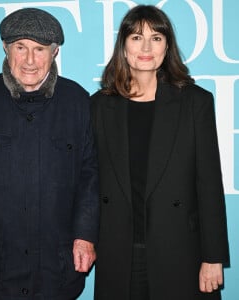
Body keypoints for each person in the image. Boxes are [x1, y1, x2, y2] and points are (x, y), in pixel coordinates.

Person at [0, 7, 99, 300]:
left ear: (55, 52)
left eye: (39, 49)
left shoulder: (78, 102)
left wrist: (86, 235)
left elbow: (91, 178)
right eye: (20, 47)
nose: (29, 60)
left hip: (58, 265)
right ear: (5, 47)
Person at [91, 4, 229, 300]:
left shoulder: (195, 103)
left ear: (167, 47)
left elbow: (208, 184)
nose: (146, 47)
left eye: (156, 38)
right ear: (123, 46)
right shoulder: (99, 106)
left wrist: (213, 257)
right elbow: (86, 182)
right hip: (119, 252)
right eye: (136, 37)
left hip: (179, 250)